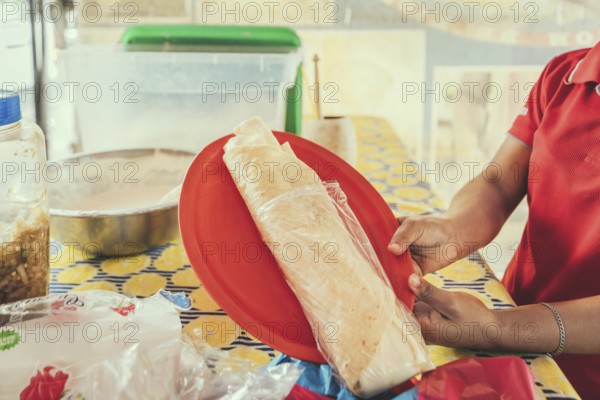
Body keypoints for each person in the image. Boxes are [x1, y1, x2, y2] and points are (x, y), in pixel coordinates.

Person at [388, 41, 600, 399]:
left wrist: (500, 328)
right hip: (512, 322)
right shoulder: (566, 74)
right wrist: (452, 229)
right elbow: (500, 182)